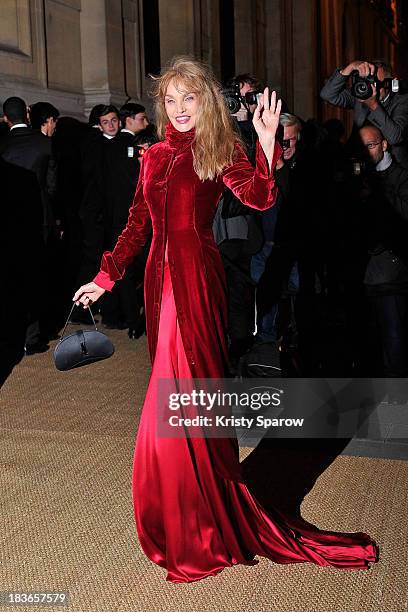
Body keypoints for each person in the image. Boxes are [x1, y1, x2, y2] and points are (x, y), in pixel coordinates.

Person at [73, 58, 378, 583]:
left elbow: (261, 196)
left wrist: (264, 145)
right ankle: (185, 512)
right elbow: (136, 225)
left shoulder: (218, 150)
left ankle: (206, 519)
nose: (179, 109)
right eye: (170, 100)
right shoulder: (153, 157)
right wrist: (106, 276)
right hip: (158, 286)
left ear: (205, 100)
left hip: (197, 281)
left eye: (188, 98)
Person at [320, 59, 408, 167]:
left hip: (393, 168)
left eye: (375, 83)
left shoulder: (402, 101)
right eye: (368, 81)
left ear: (389, 84)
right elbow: (327, 95)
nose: (371, 88)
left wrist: (373, 105)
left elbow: (395, 137)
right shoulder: (361, 94)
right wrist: (350, 67)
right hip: (360, 163)